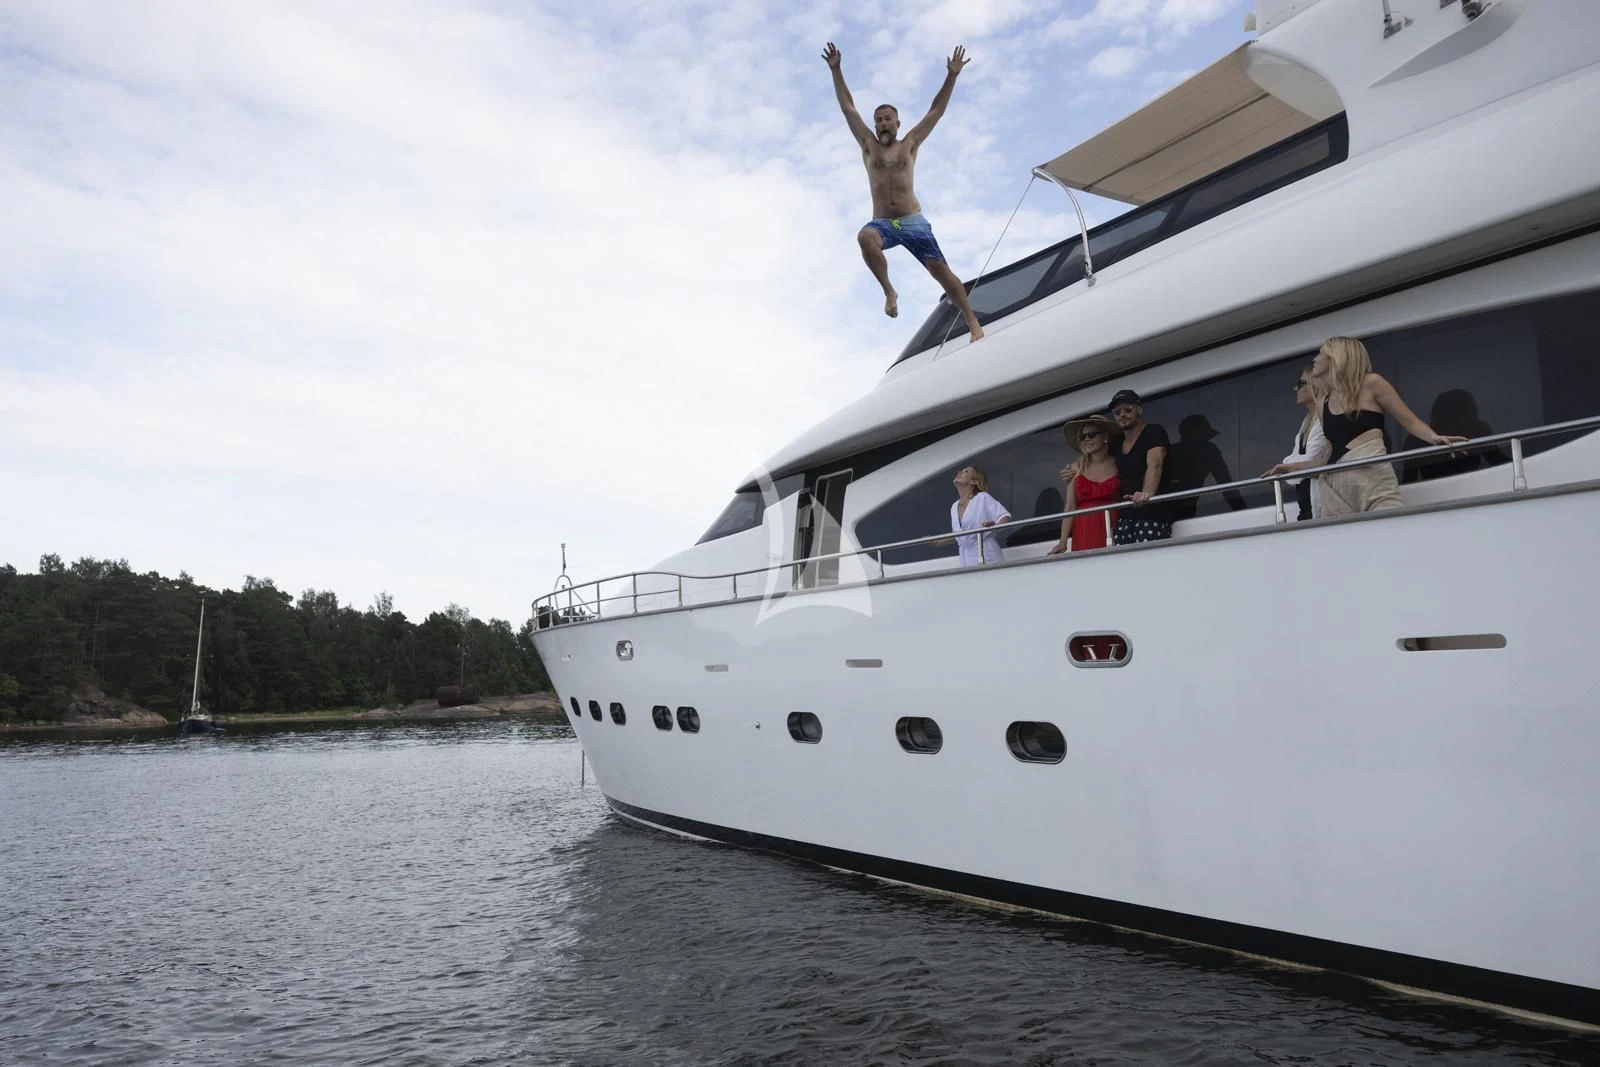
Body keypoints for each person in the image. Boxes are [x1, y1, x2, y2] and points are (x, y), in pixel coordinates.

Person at [821, 41, 985, 340]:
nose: (883, 123)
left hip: (912, 221)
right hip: (885, 224)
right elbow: (848, 108)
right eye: (879, 120)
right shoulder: (868, 145)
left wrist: (952, 76)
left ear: (897, 123)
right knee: (864, 237)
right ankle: (890, 292)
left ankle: (972, 321)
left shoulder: (909, 144)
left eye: (888, 119)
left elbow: (936, 111)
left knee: (942, 273)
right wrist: (836, 70)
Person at [1262, 336, 1466, 514]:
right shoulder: (1323, 402)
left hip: (1372, 479)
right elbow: (1329, 454)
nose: (1315, 359)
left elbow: (1409, 421)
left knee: (1389, 532)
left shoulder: (1372, 384)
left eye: (1321, 353)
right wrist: (1291, 467)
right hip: (1335, 491)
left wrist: (1434, 437)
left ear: (1337, 356)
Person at [1107, 389, 1176, 543]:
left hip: (1153, 514)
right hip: (1125, 516)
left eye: (1128, 409)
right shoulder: (1117, 444)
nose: (1122, 414)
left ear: (1139, 410)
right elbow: (1098, 460)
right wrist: (1074, 469)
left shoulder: (1154, 432)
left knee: (1149, 564)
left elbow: (1155, 465)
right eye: (1117, 412)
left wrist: (1146, 494)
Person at [1048, 414, 1121, 554]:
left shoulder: (1119, 463)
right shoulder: (1076, 468)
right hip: (1084, 530)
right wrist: (1062, 542)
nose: (1087, 439)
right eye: (1083, 436)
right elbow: (1070, 506)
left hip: (1112, 526)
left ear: (1105, 436)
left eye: (1092, 435)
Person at [1166, 413, 1248, 520]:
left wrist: (1243, 513)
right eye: (1201, 437)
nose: (1203, 441)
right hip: (1163, 509)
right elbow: (1226, 485)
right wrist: (1243, 512)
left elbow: (1226, 485)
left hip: (1187, 510)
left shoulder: (1209, 451)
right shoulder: (1171, 452)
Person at [1279, 365, 1329, 521]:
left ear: (1315, 385)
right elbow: (1298, 466)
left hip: (1322, 506)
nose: (1296, 388)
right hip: (1306, 506)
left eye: (1300, 384)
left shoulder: (1325, 418)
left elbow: (1309, 460)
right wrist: (1290, 466)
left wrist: (1286, 465)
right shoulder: (1307, 422)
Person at [949, 465, 1010, 566]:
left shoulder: (982, 498)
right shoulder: (954, 507)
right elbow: (959, 536)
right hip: (966, 560)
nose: (959, 472)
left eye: (966, 471)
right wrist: (936, 542)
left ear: (973, 481)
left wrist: (995, 526)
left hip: (987, 556)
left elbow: (1005, 517)